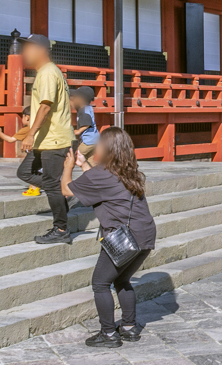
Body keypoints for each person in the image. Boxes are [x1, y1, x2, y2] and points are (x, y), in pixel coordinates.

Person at [62, 126, 156, 348]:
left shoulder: (101, 173)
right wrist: (84, 165)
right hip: (145, 234)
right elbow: (99, 183)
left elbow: (67, 190)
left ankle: (108, 334)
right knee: (122, 280)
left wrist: (67, 168)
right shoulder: (128, 171)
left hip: (123, 238)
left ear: (107, 149)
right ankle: (129, 327)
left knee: (100, 283)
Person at [0, 34, 74, 244]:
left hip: (53, 138)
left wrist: (29, 134)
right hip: (45, 138)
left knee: (50, 182)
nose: (25, 53)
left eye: (29, 48)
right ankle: (61, 194)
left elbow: (45, 106)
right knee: (25, 172)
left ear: (42, 50)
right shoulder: (47, 72)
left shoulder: (47, 72)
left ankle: (62, 229)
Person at [71, 86, 99, 168]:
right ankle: (94, 175)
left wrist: (78, 131)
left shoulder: (84, 111)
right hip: (94, 139)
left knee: (77, 155)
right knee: (90, 160)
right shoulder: (87, 108)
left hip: (88, 141)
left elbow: (87, 123)